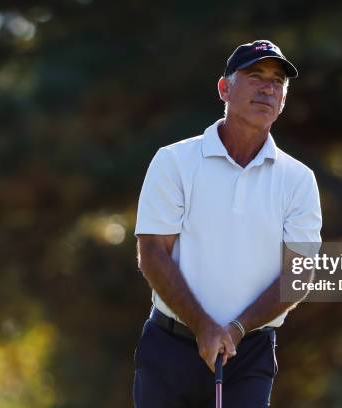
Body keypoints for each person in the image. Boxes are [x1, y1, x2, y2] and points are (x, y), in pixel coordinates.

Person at [133, 40, 322, 407]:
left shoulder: (299, 179)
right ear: (224, 88)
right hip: (169, 349)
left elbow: (298, 274)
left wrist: (236, 329)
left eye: (277, 81)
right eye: (255, 76)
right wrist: (203, 326)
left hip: (249, 355)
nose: (268, 87)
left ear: (283, 99)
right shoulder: (174, 161)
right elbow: (153, 253)